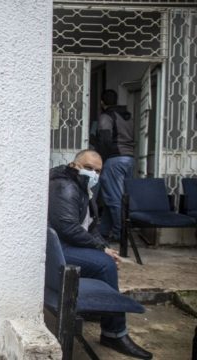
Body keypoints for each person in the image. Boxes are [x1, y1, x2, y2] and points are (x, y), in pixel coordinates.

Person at [48, 150, 152, 359]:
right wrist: (101, 250)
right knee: (105, 265)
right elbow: (67, 227)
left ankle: (101, 310)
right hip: (59, 249)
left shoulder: (83, 186)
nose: (93, 173)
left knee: (106, 259)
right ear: (74, 165)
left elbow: (91, 226)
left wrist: (104, 247)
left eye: (98, 170)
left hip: (69, 245)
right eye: (88, 168)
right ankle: (114, 333)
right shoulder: (65, 186)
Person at [95, 89, 135, 242]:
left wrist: (100, 160)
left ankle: (120, 234)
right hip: (129, 159)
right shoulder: (127, 116)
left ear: (102, 102)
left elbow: (105, 140)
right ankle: (104, 230)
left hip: (114, 159)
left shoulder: (107, 116)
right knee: (116, 197)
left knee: (113, 198)